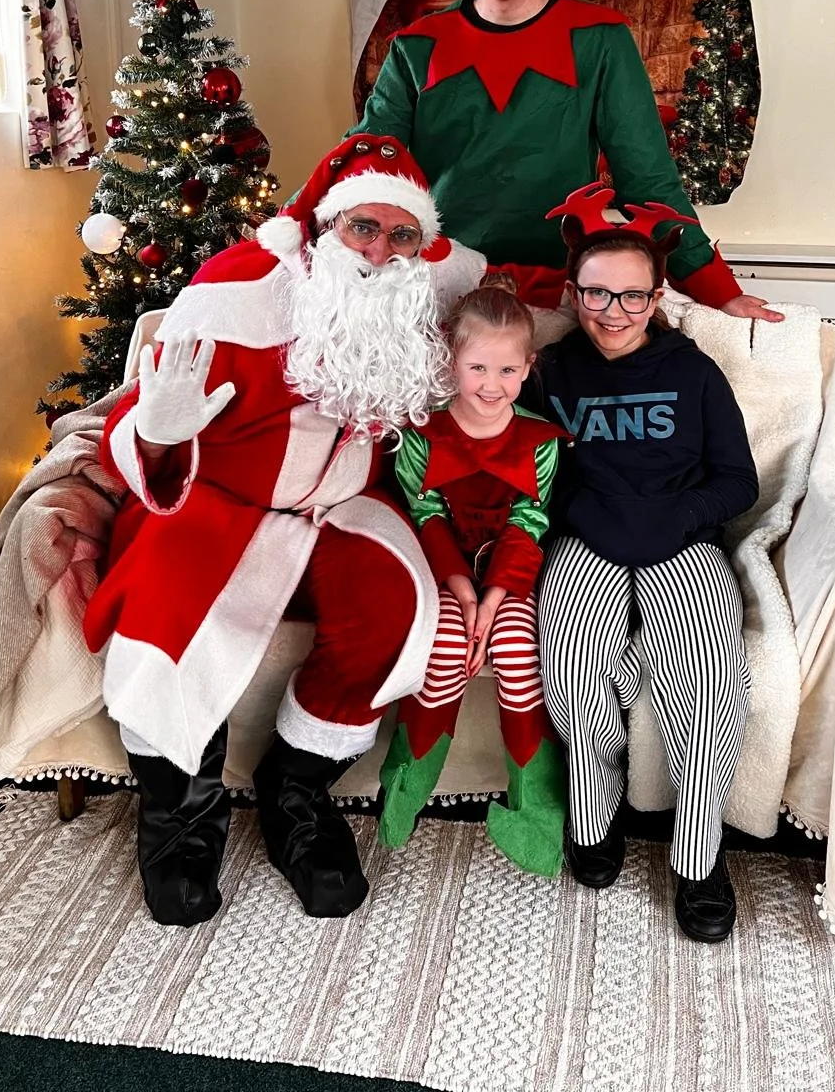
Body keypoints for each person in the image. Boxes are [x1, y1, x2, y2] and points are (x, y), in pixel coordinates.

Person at [82, 134, 485, 928]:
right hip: (217, 495)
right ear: (325, 229)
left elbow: (533, 300)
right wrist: (161, 431)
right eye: (362, 229)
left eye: (402, 234)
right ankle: (180, 820)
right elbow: (139, 422)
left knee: (395, 606)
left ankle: (296, 790)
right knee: (167, 607)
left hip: (342, 507)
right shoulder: (238, 289)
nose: (380, 252)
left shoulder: (427, 296)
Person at [352, 0, 781, 324]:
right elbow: (365, 164)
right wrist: (283, 237)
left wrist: (717, 289)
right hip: (440, 292)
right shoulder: (415, 48)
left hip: (558, 294)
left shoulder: (600, 39)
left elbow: (648, 178)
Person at [531, 182, 760, 942]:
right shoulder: (552, 372)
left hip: (682, 540)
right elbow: (527, 471)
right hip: (587, 536)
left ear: (657, 295)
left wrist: (681, 519)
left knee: (707, 677)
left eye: (632, 297)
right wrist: (581, 516)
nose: (613, 312)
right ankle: (594, 819)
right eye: (597, 294)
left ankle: (697, 859)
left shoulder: (692, 371)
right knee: (568, 665)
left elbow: (738, 480)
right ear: (574, 291)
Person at [377, 285, 568, 877]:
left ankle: (535, 806)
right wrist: (461, 591)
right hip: (441, 569)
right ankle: (407, 781)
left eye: (509, 369)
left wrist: (493, 598)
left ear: (528, 367)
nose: (492, 383)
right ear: (450, 362)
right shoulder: (421, 434)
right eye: (478, 367)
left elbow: (528, 522)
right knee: (446, 653)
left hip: (510, 576)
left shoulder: (538, 439)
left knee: (515, 651)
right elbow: (425, 514)